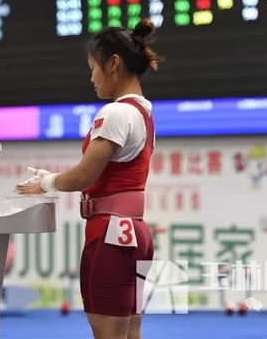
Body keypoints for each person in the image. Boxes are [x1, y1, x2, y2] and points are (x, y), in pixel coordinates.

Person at [16, 19, 161, 339]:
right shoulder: (145, 113)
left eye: (93, 67)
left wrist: (46, 183)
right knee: (130, 333)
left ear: (114, 64)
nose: (91, 77)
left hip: (110, 236)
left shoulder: (116, 113)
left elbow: (84, 175)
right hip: (136, 233)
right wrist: (51, 178)